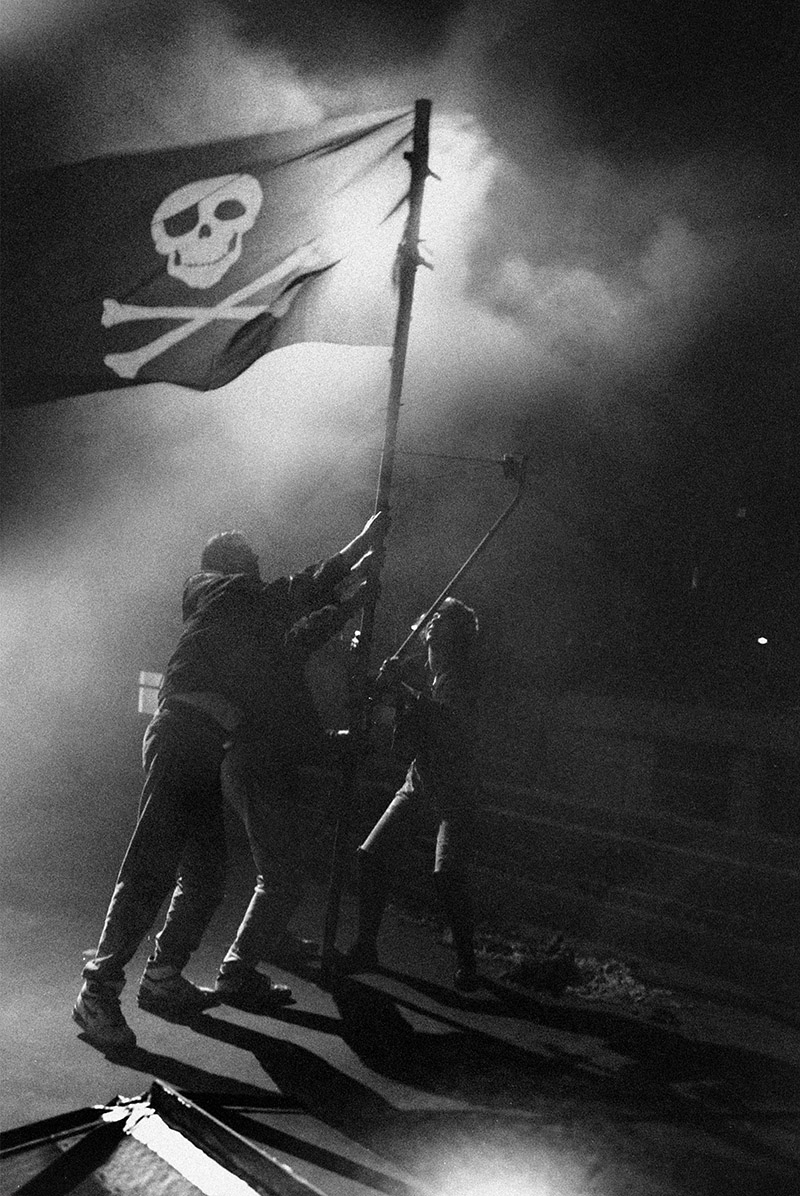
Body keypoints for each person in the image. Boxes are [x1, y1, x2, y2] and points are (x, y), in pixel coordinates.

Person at [73, 511, 388, 1049]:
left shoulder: (238, 616)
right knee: (152, 866)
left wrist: (347, 605)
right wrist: (358, 547)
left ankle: (162, 977)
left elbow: (290, 639)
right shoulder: (224, 592)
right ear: (230, 565)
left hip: (203, 742)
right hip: (183, 736)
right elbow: (292, 595)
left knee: (205, 873)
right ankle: (97, 991)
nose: (258, 564)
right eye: (249, 558)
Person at [340, 597, 483, 992]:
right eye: (433, 621)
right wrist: (372, 674)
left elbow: (446, 722)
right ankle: (365, 947)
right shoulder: (426, 673)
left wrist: (400, 691)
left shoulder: (464, 679)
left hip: (456, 790)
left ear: (458, 639)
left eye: (444, 623)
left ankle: (467, 960)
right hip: (420, 782)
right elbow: (384, 706)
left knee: (448, 875)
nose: (434, 626)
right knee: (372, 856)